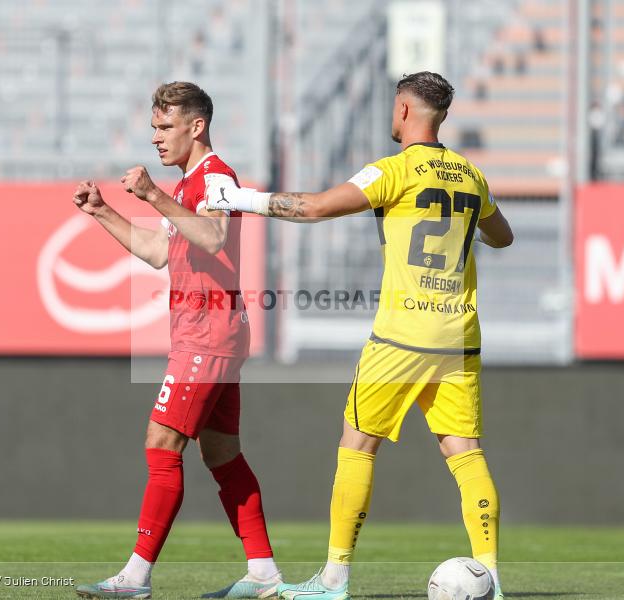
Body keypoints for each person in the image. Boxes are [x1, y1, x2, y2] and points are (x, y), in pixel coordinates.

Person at [206, 71, 514, 600]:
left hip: (402, 335)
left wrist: (241, 199)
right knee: (465, 452)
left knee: (358, 444)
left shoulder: (392, 171)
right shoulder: (471, 177)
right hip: (458, 337)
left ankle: (333, 580)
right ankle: (492, 579)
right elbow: (502, 236)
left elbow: (318, 207)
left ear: (403, 110)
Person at [73, 81, 281, 600]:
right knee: (223, 456)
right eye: (154, 129)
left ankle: (136, 577)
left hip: (207, 336)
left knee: (162, 443)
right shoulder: (189, 184)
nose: (156, 139)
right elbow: (158, 251)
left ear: (197, 126)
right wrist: (103, 212)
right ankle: (264, 575)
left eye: (165, 127)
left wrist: (151, 194)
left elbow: (212, 236)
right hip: (208, 335)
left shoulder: (215, 177)